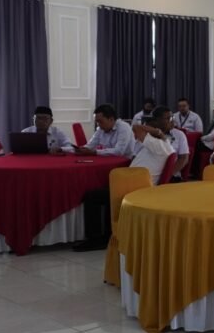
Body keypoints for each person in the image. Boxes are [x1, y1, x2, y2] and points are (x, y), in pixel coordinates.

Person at [74, 121, 174, 251]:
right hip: (133, 183)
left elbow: (136, 127)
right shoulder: (162, 145)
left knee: (92, 196)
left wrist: (156, 131)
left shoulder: (158, 145)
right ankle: (106, 235)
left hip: (138, 188)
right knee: (105, 193)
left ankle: (95, 239)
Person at [143, 106, 188, 180]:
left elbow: (184, 158)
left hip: (170, 175)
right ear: (157, 121)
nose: (172, 121)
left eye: (173, 117)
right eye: (168, 118)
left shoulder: (179, 135)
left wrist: (169, 174)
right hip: (149, 174)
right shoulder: (147, 135)